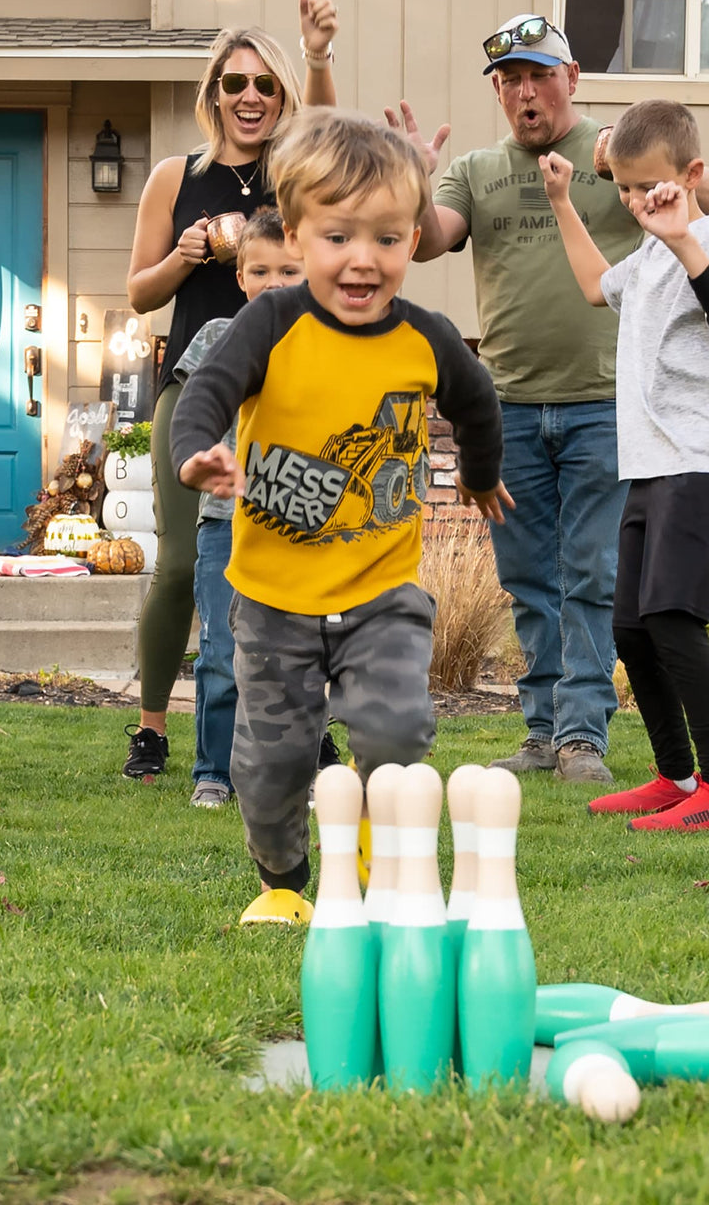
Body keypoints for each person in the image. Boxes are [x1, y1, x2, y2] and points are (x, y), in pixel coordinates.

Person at [169, 108, 509, 909]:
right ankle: (284, 882)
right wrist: (196, 450)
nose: (364, 261)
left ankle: (369, 836)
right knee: (271, 762)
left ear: (412, 241)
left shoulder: (426, 339)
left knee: (395, 731)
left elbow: (479, 400)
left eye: (388, 241)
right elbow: (209, 388)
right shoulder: (272, 322)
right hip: (273, 596)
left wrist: (482, 476)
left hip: (380, 591)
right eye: (338, 239)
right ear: (295, 234)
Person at [387, 14, 709, 785]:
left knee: (591, 574)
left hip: (607, 406)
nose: (525, 92)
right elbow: (424, 239)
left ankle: (583, 737)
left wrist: (621, 153)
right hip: (505, 408)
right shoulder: (474, 171)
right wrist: (411, 178)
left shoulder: (616, 153)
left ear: (571, 79)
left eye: (540, 75)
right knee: (528, 579)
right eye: (509, 81)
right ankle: (541, 732)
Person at [120, 0, 339, 782]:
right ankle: (151, 728)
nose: (250, 97)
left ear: (282, 97)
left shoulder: (295, 173)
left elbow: (334, 150)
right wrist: (186, 255)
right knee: (182, 564)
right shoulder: (176, 177)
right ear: (214, 92)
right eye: (234, 83)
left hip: (290, 391)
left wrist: (316, 58)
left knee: (292, 562)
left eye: (266, 86)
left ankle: (302, 726)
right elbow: (141, 292)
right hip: (196, 386)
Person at [539, 98, 709, 832]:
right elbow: (592, 287)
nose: (637, 201)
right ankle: (674, 776)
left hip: (708, 458)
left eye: (650, 186)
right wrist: (565, 202)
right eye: (626, 189)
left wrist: (683, 239)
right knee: (631, 628)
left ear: (691, 174)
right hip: (654, 463)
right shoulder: (647, 255)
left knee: (672, 616)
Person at [167, 208, 334, 809]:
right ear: (240, 277)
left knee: (300, 655)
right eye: (258, 270)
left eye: (288, 270)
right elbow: (198, 410)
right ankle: (214, 771)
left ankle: (302, 770)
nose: (273, 282)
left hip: (298, 524)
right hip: (226, 524)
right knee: (219, 650)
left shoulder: (329, 340)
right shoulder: (218, 336)